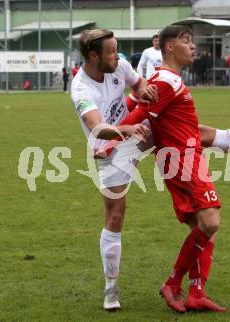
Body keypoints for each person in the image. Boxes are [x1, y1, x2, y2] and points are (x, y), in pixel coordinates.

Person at [106, 24, 230, 313]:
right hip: (183, 163)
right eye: (187, 41)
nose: (193, 46)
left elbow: (196, 130)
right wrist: (109, 138)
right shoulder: (166, 81)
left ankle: (197, 293)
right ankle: (172, 284)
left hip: (185, 156)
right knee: (210, 224)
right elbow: (139, 113)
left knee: (203, 228)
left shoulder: (170, 80)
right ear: (169, 47)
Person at [70, 29, 158, 312]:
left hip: (135, 130)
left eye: (116, 49)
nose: (117, 56)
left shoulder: (118, 64)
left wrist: (142, 88)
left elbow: (137, 82)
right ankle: (111, 288)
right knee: (116, 216)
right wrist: (125, 130)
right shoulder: (81, 89)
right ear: (94, 56)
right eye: (110, 51)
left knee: (184, 130)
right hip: (109, 149)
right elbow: (97, 127)